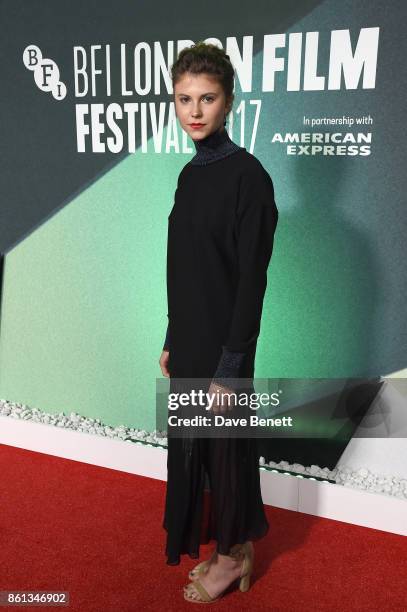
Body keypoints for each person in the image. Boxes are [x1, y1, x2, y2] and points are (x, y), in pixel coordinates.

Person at [159, 42, 279, 603]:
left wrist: (231, 366)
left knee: (226, 454)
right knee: (199, 449)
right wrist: (170, 337)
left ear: (228, 101)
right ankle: (227, 547)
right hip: (189, 340)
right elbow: (184, 265)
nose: (195, 111)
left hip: (227, 347)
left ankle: (232, 559)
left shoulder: (248, 177)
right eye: (184, 99)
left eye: (207, 98)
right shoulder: (188, 175)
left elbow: (251, 280)